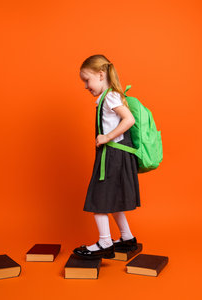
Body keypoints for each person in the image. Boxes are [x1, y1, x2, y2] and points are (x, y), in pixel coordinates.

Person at [73, 54, 140, 259]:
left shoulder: (110, 96)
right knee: (111, 199)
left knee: (99, 198)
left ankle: (105, 242)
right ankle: (127, 238)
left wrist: (107, 137)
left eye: (87, 79)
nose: (85, 85)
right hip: (115, 154)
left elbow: (129, 119)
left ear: (101, 75)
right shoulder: (108, 96)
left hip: (113, 154)